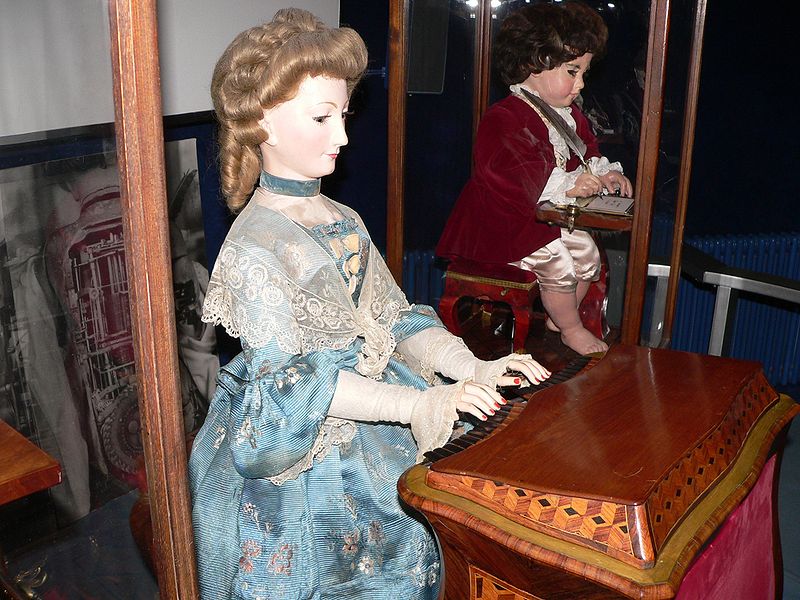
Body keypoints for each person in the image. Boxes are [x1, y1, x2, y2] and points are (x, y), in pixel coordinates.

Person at [188, 9, 551, 600]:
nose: (342, 137)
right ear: (262, 121)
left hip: (375, 413)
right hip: (305, 454)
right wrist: (421, 403)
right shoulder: (254, 246)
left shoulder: (342, 217)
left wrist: (473, 368)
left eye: (344, 115)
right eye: (322, 117)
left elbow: (396, 319)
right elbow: (296, 388)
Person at [436, 1, 633, 356]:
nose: (580, 84)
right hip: (502, 225)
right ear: (535, 63)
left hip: (542, 219)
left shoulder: (567, 115)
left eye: (584, 73)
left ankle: (560, 316)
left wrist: (605, 172)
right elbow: (515, 177)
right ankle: (571, 328)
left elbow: (586, 149)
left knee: (588, 253)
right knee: (558, 263)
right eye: (572, 71)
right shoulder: (505, 117)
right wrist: (569, 185)